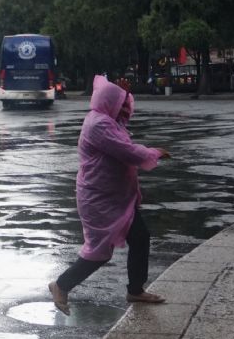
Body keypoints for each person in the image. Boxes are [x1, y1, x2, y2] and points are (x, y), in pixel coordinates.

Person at [49, 76, 170, 315]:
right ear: (109, 103)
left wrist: (121, 94)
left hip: (115, 197)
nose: (126, 109)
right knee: (99, 252)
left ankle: (135, 290)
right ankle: (61, 285)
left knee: (140, 236)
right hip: (100, 200)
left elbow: (122, 138)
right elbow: (127, 151)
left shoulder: (108, 120)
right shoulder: (99, 125)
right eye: (121, 103)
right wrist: (154, 152)